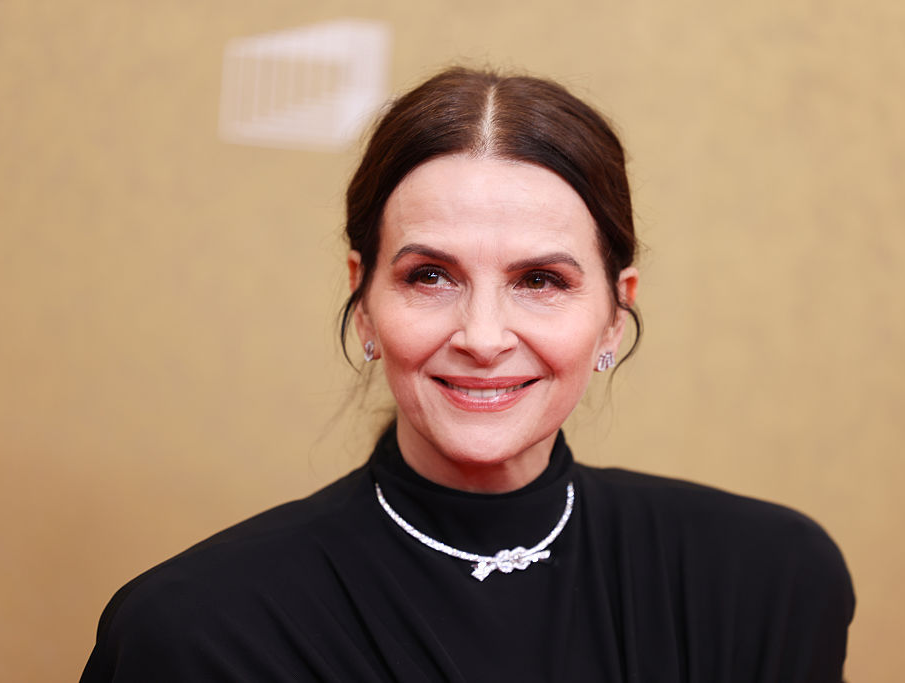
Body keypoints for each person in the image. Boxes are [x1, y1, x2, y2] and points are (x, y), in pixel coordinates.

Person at [81, 67, 854, 682]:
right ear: (363, 299)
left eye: (541, 280)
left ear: (615, 313)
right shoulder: (195, 632)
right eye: (430, 276)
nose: (483, 338)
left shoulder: (768, 581)